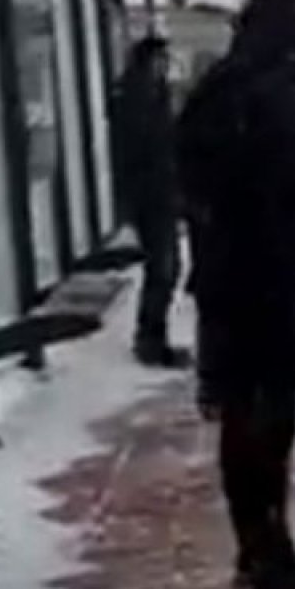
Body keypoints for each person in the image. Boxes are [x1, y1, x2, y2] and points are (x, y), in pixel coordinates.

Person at [175, 0, 295, 589]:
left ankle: (260, 546)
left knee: (246, 417)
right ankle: (270, 560)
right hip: (263, 281)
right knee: (265, 422)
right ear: (291, 37)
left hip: (231, 276)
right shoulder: (266, 96)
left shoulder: (221, 89)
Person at [110, 36, 190, 368]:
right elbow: (147, 149)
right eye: (160, 60)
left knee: (166, 268)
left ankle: (153, 336)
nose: (165, 67)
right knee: (163, 268)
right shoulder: (138, 97)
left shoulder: (148, 93)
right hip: (151, 196)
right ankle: (150, 340)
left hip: (157, 193)